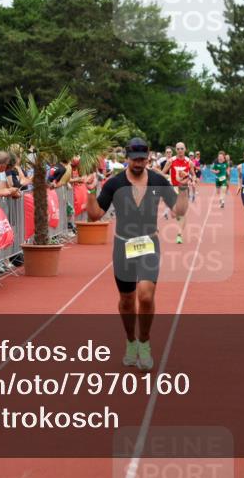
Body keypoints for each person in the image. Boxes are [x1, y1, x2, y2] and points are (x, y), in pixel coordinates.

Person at [85, 137, 188, 372]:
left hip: (149, 243)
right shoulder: (114, 183)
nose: (139, 163)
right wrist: (91, 190)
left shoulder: (158, 181)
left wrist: (182, 188)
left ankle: (144, 341)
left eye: (142, 159)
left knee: (145, 295)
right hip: (123, 246)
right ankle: (131, 341)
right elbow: (95, 214)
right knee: (127, 301)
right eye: (134, 159)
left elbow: (179, 210)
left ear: (149, 157)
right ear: (127, 159)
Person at [160, 141, 195, 244]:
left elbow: (193, 175)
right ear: (176, 150)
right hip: (173, 188)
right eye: (178, 149)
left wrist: (193, 180)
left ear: (185, 149)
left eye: (182, 148)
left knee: (182, 213)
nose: (180, 150)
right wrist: (168, 178)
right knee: (174, 214)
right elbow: (162, 173)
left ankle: (179, 235)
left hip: (184, 190)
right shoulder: (171, 161)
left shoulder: (189, 162)